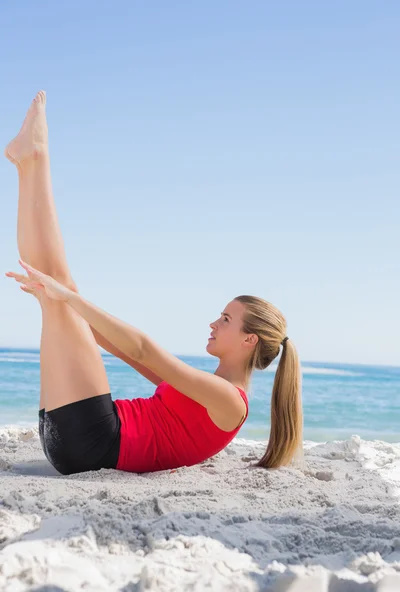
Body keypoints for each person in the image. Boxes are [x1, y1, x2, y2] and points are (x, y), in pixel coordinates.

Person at [5, 92, 304, 476]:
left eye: (227, 320)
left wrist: (69, 298)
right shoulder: (204, 389)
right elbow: (128, 352)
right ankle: (28, 163)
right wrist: (66, 305)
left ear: (251, 340)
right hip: (76, 439)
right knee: (55, 292)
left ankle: (36, 157)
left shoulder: (230, 401)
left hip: (94, 441)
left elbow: (144, 348)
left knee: (62, 288)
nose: (213, 324)